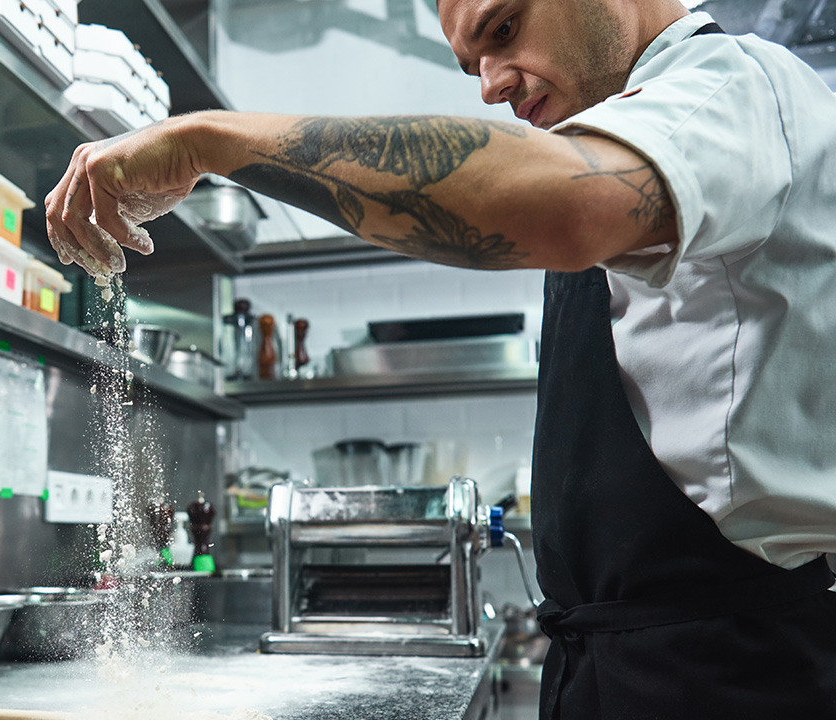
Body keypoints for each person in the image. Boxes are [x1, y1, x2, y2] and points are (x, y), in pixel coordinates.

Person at [45, 0, 836, 717]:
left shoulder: (733, 86)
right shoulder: (637, 129)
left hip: (732, 671)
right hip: (622, 663)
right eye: (471, 63)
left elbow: (567, 204)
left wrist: (213, 139)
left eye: (504, 29)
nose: (490, 84)